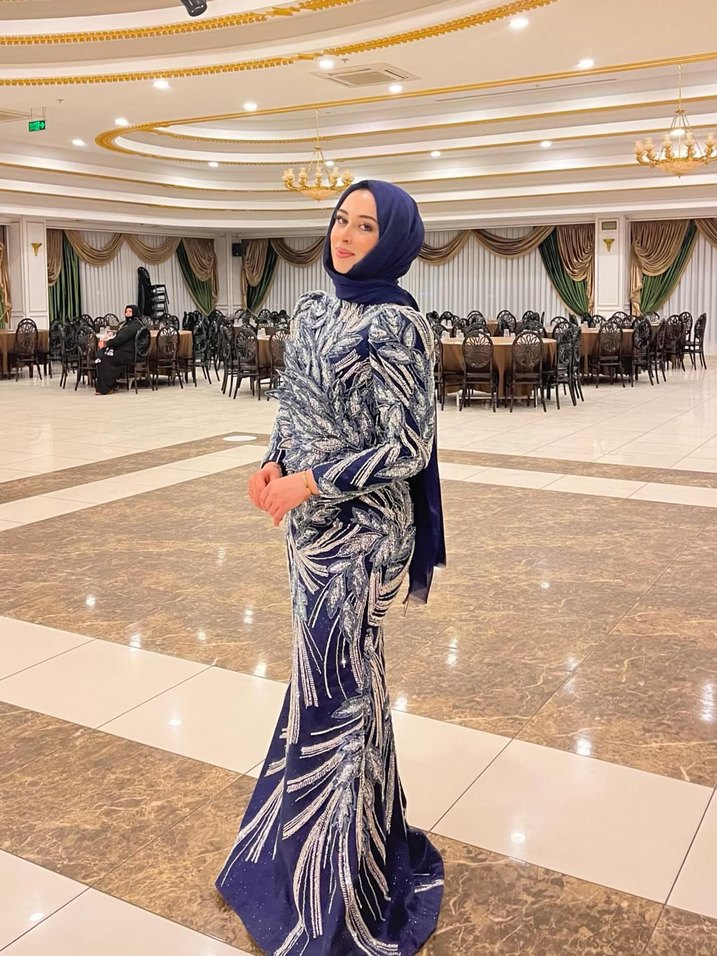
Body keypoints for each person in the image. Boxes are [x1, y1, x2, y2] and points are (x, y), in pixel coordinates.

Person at [216, 181, 446, 956]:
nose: (345, 234)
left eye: (365, 225)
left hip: (366, 538)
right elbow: (292, 406)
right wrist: (271, 462)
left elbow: (407, 447)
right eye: (340, 219)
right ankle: (355, 857)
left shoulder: (399, 324)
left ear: (395, 238)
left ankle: (335, 894)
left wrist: (311, 480)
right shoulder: (312, 310)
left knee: (337, 697)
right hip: (306, 536)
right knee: (335, 687)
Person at [95, 304, 142, 394]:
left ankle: (107, 387)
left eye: (130, 311)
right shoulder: (128, 324)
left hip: (131, 353)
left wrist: (108, 343)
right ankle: (108, 385)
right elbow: (120, 336)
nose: (127, 313)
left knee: (106, 358)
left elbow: (120, 338)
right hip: (125, 351)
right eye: (126, 311)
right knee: (102, 354)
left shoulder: (134, 325)